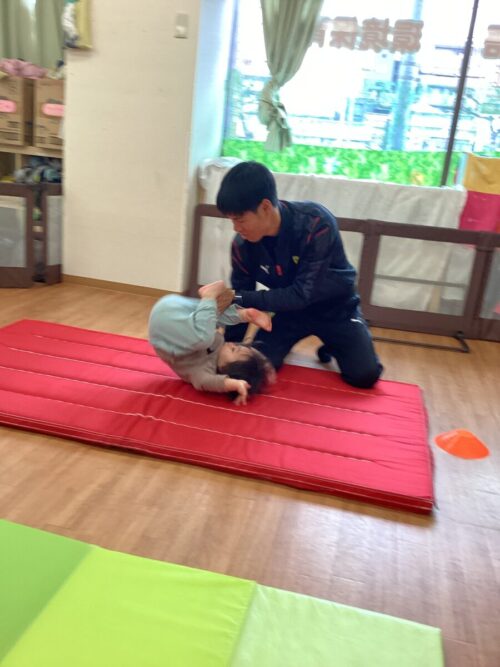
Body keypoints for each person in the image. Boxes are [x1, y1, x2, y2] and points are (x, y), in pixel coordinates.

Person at [215, 161, 383, 389]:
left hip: (336, 309)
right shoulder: (242, 246)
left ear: (265, 207)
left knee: (365, 375)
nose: (235, 228)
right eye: (231, 220)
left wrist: (233, 296)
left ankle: (334, 344)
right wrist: (229, 351)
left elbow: (301, 294)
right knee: (254, 369)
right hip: (289, 313)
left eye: (240, 219)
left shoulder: (316, 224)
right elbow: (240, 302)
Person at [149, 280, 274, 405]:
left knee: (205, 335)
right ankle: (243, 314)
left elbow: (212, 383)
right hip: (180, 309)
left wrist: (234, 384)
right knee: (211, 321)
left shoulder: (203, 371)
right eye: (237, 346)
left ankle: (210, 298)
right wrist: (264, 363)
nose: (233, 344)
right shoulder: (219, 345)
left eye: (234, 349)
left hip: (163, 330)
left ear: (224, 369)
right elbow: (248, 352)